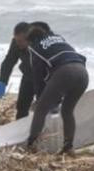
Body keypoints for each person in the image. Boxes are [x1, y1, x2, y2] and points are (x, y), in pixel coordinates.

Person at [26, 23, 88, 155]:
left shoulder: (35, 48)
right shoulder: (59, 38)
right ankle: (68, 146)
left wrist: (39, 98)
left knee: (41, 109)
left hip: (65, 72)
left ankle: (31, 144)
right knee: (67, 110)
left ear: (31, 41)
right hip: (83, 72)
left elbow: (38, 76)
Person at [0, 22, 34, 119]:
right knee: (21, 106)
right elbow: (9, 62)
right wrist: (2, 82)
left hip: (45, 77)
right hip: (28, 74)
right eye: (16, 40)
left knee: (45, 106)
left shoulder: (41, 43)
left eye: (20, 41)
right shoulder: (16, 43)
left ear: (29, 38)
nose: (18, 44)